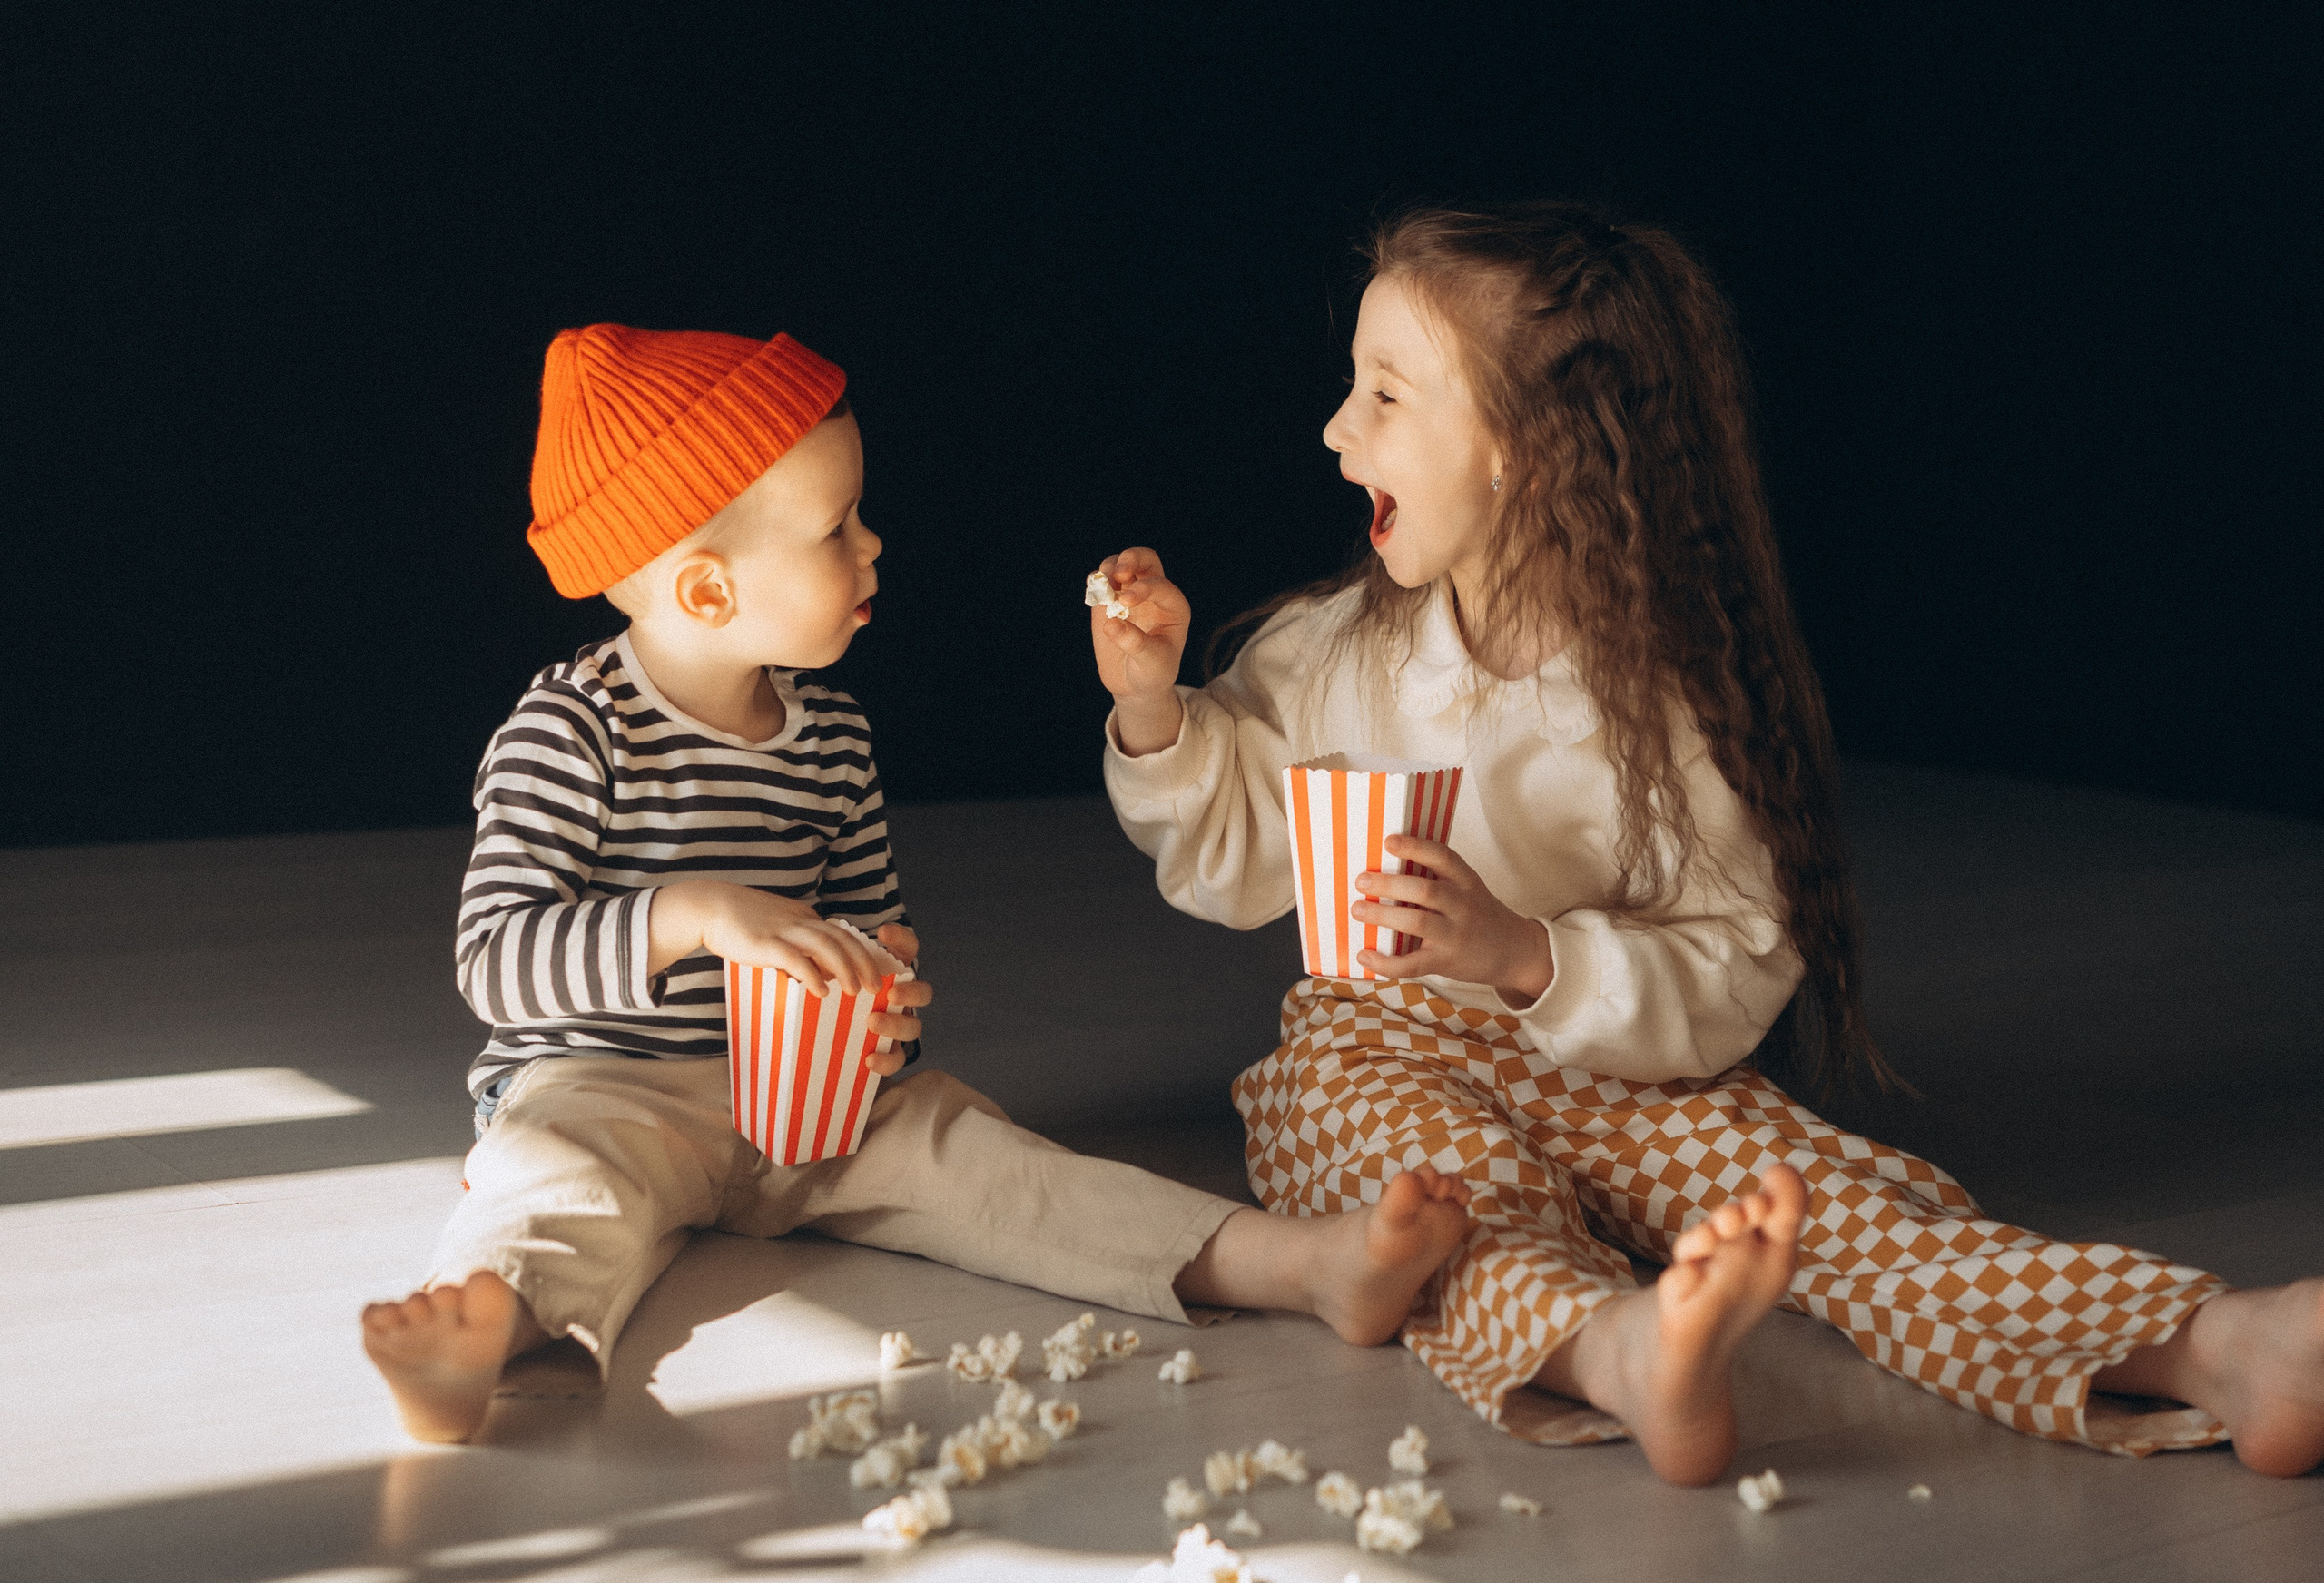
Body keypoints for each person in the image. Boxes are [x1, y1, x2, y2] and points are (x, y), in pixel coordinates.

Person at [1089, 202, 2324, 1485]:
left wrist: (1529, 956)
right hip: (1375, 1044)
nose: (1337, 430)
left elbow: (1736, 953)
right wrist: (1153, 705)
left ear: (1524, 451)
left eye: (1385, 397)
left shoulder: (1662, 700)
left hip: (1619, 1068)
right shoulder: (1339, 652)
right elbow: (1231, 849)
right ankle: (1616, 1352)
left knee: (1832, 1209)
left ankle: (2222, 1345)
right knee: (1441, 1208)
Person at [360, 322, 1474, 1444]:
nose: (873, 544)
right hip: (608, 1089)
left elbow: (870, 926)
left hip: (798, 1108)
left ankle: (1299, 1265)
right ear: (705, 591)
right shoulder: (571, 730)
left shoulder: (832, 737)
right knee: (558, 1191)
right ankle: (483, 1331)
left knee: (993, 1165)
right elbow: (495, 962)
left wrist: (879, 1004)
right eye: (835, 529)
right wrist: (695, 913)